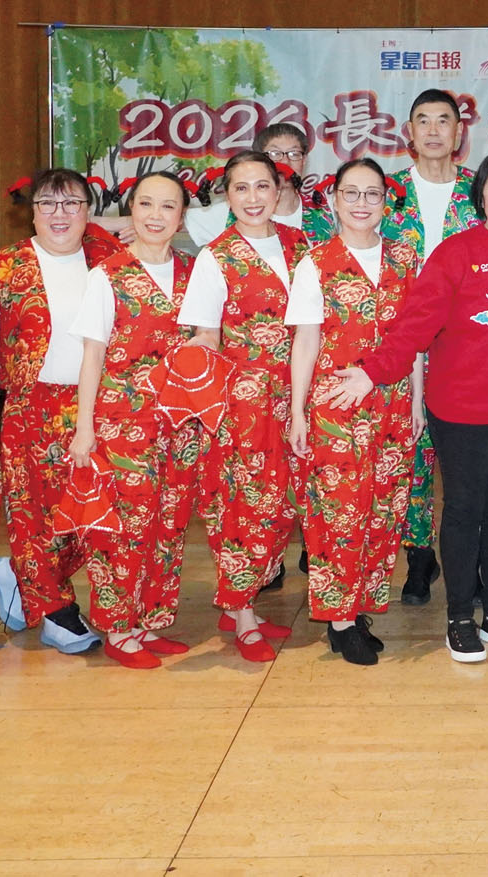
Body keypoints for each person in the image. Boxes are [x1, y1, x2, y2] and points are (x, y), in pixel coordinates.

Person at [323, 150, 488, 663]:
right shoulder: (456, 252)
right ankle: (458, 619)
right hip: (460, 408)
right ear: (480, 199)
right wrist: (372, 370)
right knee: (463, 511)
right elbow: (413, 324)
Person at [68, 171, 206, 669]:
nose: (155, 215)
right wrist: (85, 428)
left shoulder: (197, 272)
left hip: (181, 427)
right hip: (123, 424)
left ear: (182, 217)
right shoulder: (108, 274)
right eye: (145, 204)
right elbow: (92, 356)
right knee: (125, 528)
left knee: (168, 524)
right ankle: (118, 627)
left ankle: (151, 620)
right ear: (131, 212)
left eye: (167, 206)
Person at [285, 158, 420, 666]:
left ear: (387, 203)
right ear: (333, 200)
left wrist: (418, 399)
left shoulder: (405, 259)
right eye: (351, 193)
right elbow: (305, 342)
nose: (362, 203)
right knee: (340, 511)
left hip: (393, 405)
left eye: (372, 194)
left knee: (384, 508)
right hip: (334, 407)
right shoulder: (315, 262)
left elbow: (415, 340)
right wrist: (298, 412)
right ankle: (340, 621)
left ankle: (360, 604)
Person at [0, 169, 121, 656]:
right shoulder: (4, 266)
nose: (59, 215)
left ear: (89, 210)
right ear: (33, 211)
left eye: (71, 204)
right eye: (47, 204)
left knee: (97, 513)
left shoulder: (110, 262)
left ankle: (19, 577)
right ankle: (57, 613)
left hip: (102, 405)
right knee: (38, 514)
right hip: (33, 405)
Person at [180, 148, 308, 663]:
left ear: (279, 191)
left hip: (299, 395)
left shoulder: (305, 247)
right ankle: (243, 612)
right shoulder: (217, 256)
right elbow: (204, 339)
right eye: (241, 188)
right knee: (246, 507)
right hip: (243, 405)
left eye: (262, 186)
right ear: (226, 196)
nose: (253, 198)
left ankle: (241, 603)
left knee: (283, 506)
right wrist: (208, 411)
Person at [384, 89, 481, 608]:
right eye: (424, 120)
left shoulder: (480, 191)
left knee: (465, 463)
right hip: (404, 342)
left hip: (467, 347)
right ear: (410, 131)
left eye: (445, 120)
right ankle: (418, 557)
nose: (434, 130)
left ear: (459, 132)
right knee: (410, 457)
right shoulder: (387, 192)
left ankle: (476, 560)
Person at [182, 122, 331, 250]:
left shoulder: (327, 209)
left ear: (304, 160)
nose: (284, 162)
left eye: (294, 154)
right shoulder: (230, 211)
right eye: (274, 153)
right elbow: (168, 219)